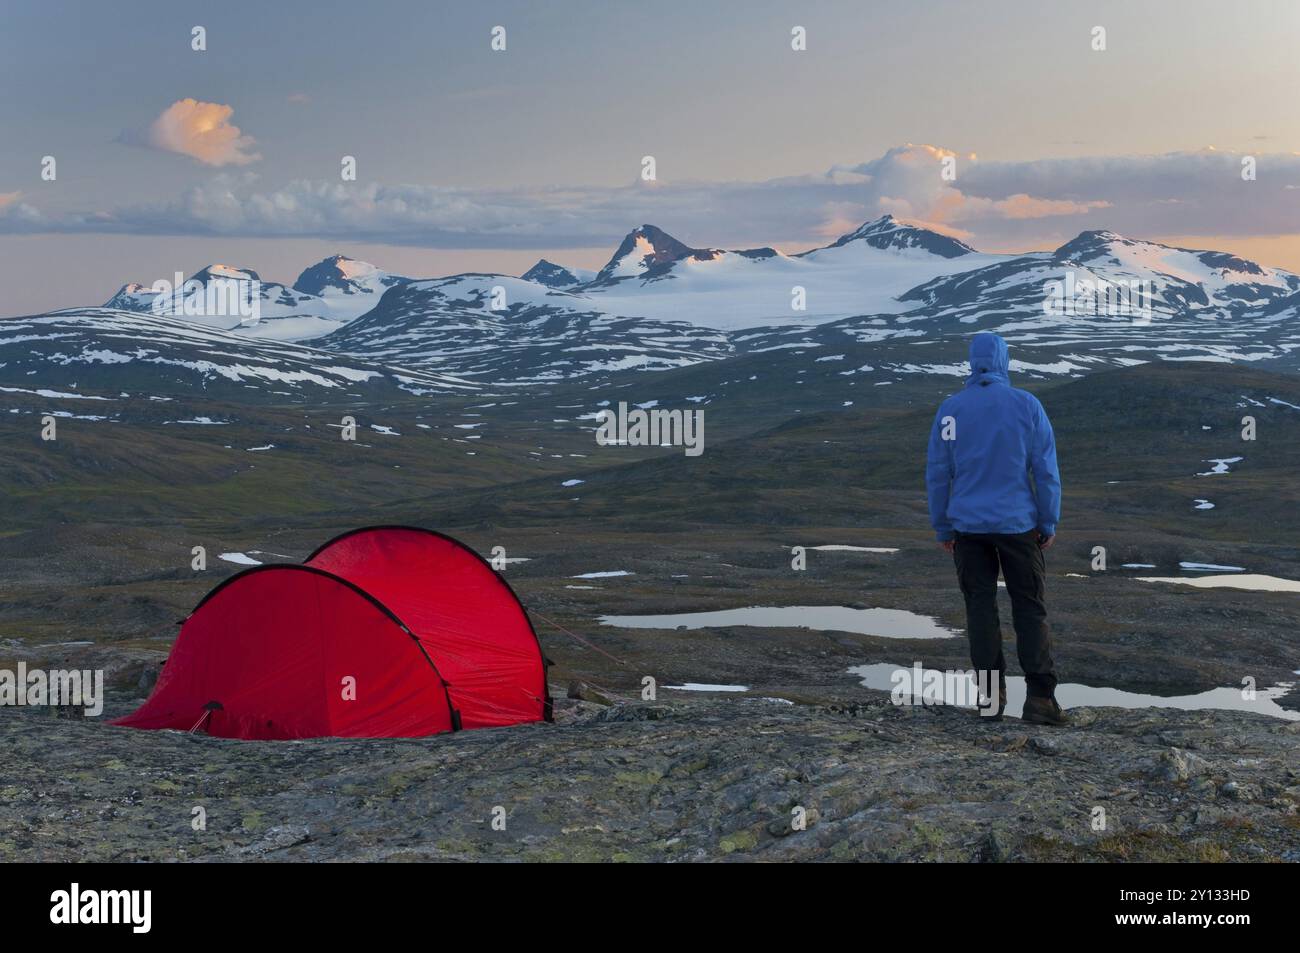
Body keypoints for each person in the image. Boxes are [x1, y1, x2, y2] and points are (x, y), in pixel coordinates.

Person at [925, 332, 1067, 725]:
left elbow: (939, 473)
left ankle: (990, 700)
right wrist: (1047, 520)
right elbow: (1045, 469)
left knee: (980, 610)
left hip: (968, 528)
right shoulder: (1026, 405)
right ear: (1005, 361)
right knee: (1029, 608)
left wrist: (943, 527)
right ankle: (1040, 700)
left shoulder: (951, 410)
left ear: (972, 363)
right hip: (1019, 525)